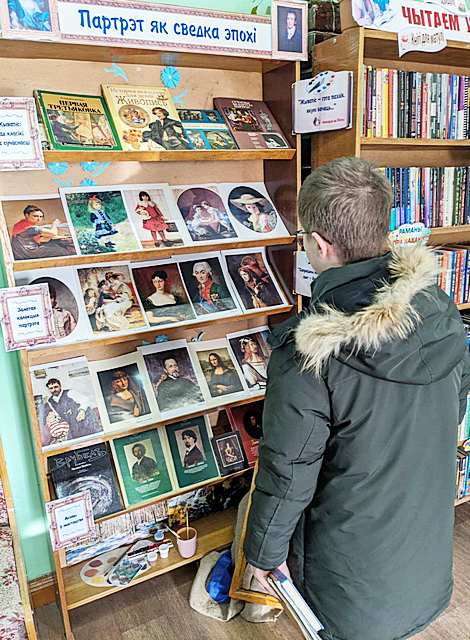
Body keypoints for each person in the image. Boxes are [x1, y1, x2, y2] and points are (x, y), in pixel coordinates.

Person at [244, 157, 470, 640]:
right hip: (424, 554)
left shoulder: (308, 352)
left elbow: (288, 472)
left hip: (347, 573)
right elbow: (455, 408)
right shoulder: (439, 309)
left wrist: (262, 555)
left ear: (320, 244)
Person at [41, 378, 100, 446]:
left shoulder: (70, 393)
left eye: (56, 387)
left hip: (86, 420)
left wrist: (82, 411)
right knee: (74, 443)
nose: (54, 390)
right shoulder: (50, 401)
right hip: (73, 424)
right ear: (49, 390)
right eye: (51, 388)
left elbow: (85, 400)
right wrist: (58, 419)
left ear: (60, 386)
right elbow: (57, 413)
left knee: (94, 438)